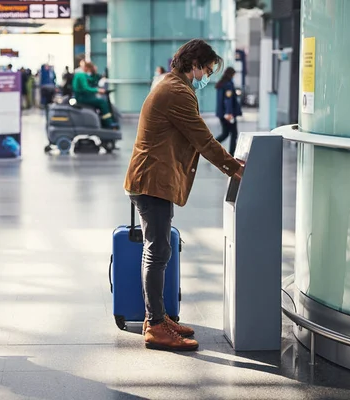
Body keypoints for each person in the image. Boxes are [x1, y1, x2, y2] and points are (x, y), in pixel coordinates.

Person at [123, 39, 244, 351]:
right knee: (157, 250)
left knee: (160, 249)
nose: (207, 76)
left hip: (154, 180)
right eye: (206, 69)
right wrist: (233, 167)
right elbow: (201, 135)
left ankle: (160, 317)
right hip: (151, 181)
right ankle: (156, 325)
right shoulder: (176, 91)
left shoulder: (171, 84)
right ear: (194, 65)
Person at [72, 61, 116, 128]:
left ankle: (105, 121)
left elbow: (92, 80)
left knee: (100, 101)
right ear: (87, 68)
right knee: (102, 102)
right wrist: (97, 90)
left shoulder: (82, 75)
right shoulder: (81, 75)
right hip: (82, 98)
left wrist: (98, 76)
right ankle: (108, 123)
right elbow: (86, 88)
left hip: (83, 97)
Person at [215, 67, 243, 155]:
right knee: (233, 134)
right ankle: (231, 153)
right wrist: (228, 113)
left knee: (226, 133)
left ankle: (211, 146)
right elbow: (228, 99)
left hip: (221, 113)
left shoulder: (221, 84)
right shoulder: (228, 84)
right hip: (228, 114)